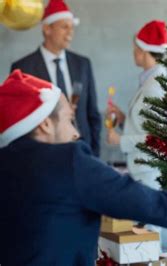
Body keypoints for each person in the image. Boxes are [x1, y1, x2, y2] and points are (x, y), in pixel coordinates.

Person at [0, 70, 167, 265]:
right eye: (70, 121)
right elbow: (155, 205)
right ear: (44, 124)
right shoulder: (68, 160)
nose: (75, 133)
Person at [10, 0, 101, 156]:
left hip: (82, 152)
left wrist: (94, 153)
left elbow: (92, 113)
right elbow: (18, 120)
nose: (70, 33)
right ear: (47, 29)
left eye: (72, 27)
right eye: (64, 27)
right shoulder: (23, 68)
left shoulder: (83, 64)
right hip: (42, 156)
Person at [106, 20, 167, 190]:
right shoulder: (151, 80)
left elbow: (159, 139)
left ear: (142, 50)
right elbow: (146, 125)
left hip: (150, 173)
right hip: (145, 171)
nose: (133, 52)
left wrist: (120, 140)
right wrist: (123, 119)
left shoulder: (156, 86)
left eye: (136, 47)